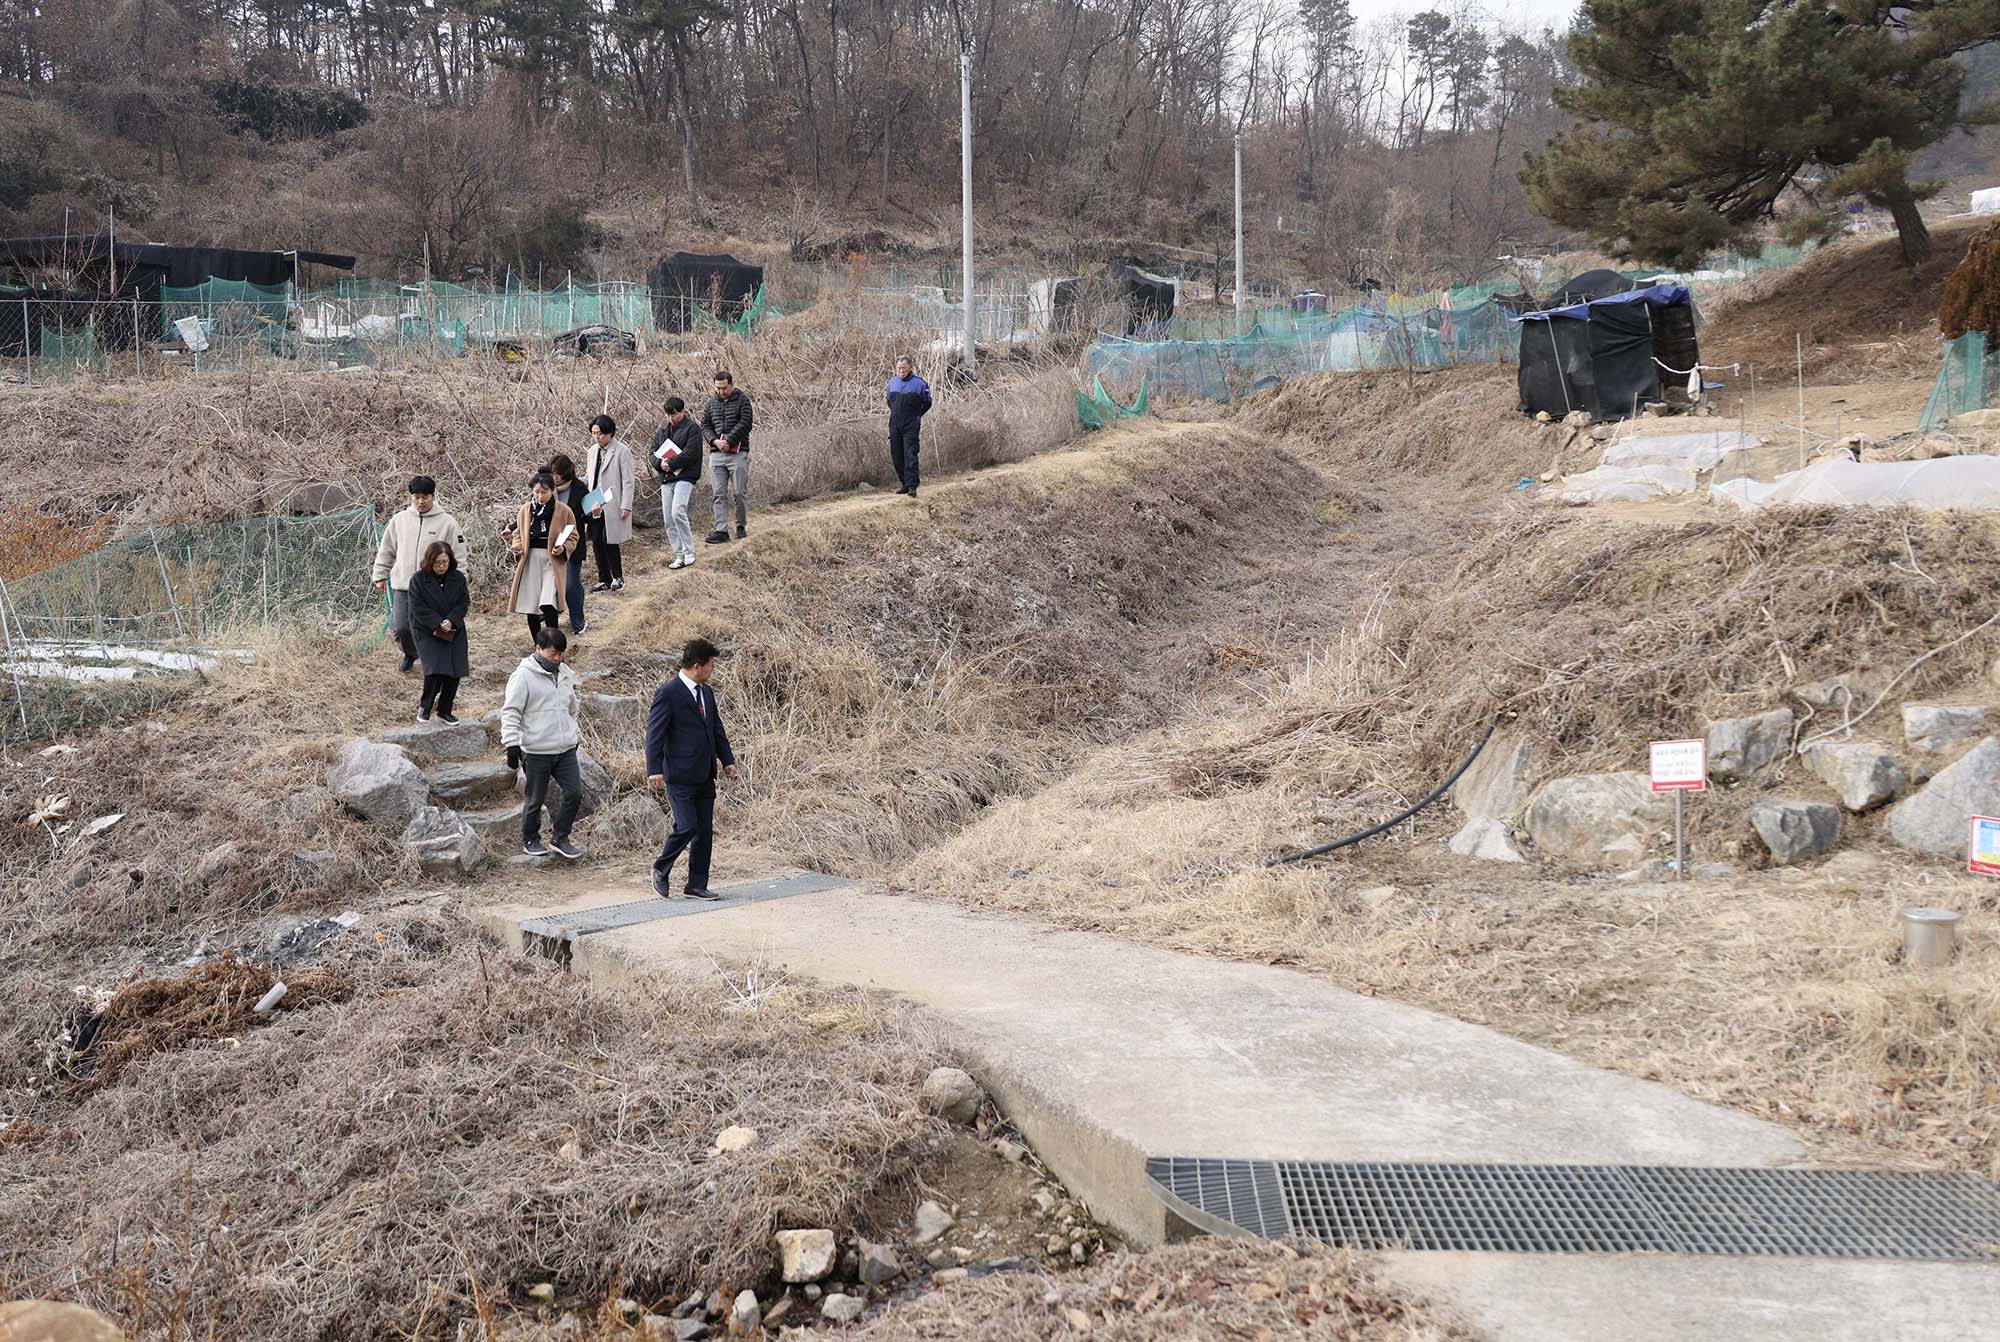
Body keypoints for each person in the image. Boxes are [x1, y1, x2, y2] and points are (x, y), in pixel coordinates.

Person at [645, 636, 738, 900]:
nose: (712, 670)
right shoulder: (668, 693)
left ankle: (696, 885)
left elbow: (716, 728)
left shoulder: (706, 692)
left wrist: (727, 760)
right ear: (697, 665)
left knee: (704, 831)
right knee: (687, 826)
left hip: (704, 773)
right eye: (710, 665)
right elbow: (655, 734)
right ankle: (661, 868)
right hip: (679, 774)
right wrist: (654, 768)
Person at [501, 626, 586, 860]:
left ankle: (561, 837)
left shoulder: (566, 673)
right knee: (535, 799)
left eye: (560, 654)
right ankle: (531, 838)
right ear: (538, 648)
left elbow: (572, 708)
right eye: (552, 653)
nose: (557, 658)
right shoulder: (523, 676)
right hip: (537, 750)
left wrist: (573, 732)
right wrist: (511, 744)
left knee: (574, 793)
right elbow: (511, 711)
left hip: (565, 748)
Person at [370, 475, 465, 674]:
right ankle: (410, 653)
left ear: (433, 496)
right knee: (401, 628)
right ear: (411, 497)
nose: (421, 501)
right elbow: (387, 549)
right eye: (417, 497)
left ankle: (435, 662)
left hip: (434, 587)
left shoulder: (447, 523)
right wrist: (380, 574)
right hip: (404, 586)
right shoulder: (399, 521)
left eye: (426, 497)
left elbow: (459, 555)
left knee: (434, 628)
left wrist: (458, 582)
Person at [507, 471, 577, 641]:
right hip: (529, 560)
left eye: (544, 492)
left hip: (551, 561)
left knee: (548, 603)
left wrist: (563, 549)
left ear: (552, 491)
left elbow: (573, 535)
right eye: (536, 492)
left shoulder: (563, 510)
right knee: (531, 605)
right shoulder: (526, 509)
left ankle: (552, 642)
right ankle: (538, 644)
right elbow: (518, 534)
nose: (540, 496)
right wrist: (517, 547)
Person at [408, 540, 470, 724]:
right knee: (435, 670)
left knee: (454, 670)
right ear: (429, 561)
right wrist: (437, 622)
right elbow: (417, 608)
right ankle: (425, 706)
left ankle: (445, 709)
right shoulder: (418, 580)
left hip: (454, 628)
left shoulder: (458, 578)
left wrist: (451, 620)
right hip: (427, 629)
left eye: (445, 562)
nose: (442, 566)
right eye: (437, 562)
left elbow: (463, 603)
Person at [648, 395, 704, 570]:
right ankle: (678, 554)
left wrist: (670, 463)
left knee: (677, 511)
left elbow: (691, 453)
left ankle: (689, 551)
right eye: (668, 415)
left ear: (682, 411)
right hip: (666, 478)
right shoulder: (663, 429)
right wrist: (660, 464)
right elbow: (652, 451)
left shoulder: (692, 429)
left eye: (674, 414)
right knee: (668, 519)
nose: (671, 418)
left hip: (685, 475)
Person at [583, 413, 635, 591]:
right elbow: (590, 476)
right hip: (595, 501)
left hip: (613, 501)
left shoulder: (622, 451)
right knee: (596, 539)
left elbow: (628, 481)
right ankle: (603, 578)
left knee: (610, 539)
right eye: (594, 433)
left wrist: (626, 505)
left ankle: (618, 577)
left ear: (610, 433)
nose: (597, 437)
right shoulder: (592, 452)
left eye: (600, 433)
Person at [700, 370, 754, 544]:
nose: (721, 391)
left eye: (724, 388)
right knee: (719, 494)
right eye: (718, 388)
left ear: (731, 384)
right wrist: (714, 441)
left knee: (739, 493)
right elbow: (705, 426)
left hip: (737, 453)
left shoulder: (743, 400)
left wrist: (729, 440)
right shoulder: (711, 404)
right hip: (717, 454)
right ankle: (721, 529)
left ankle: (740, 525)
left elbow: (745, 423)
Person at [547, 453, 590, 635]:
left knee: (571, 584)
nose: (555, 477)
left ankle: (578, 621)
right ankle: (550, 621)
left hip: (572, 544)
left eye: (558, 473)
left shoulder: (580, 488)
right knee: (550, 584)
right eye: (552, 473)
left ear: (567, 473)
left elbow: (588, 515)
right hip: (550, 545)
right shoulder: (546, 489)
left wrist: (594, 511)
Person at [885, 354, 933, 497]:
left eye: (904, 368)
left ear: (910, 368)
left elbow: (927, 403)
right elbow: (889, 402)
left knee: (910, 454)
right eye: (899, 368)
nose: (901, 371)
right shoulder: (892, 383)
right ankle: (904, 483)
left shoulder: (920, 384)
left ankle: (912, 486)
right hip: (894, 424)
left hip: (911, 424)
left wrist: (916, 415)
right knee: (896, 455)